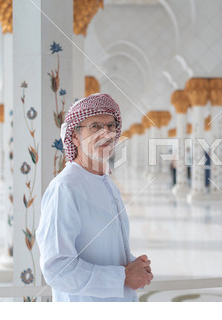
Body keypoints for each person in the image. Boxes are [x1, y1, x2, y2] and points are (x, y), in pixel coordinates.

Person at [36, 93, 153, 302]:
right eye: (95, 126)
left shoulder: (107, 184)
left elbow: (103, 250)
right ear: (74, 137)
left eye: (110, 126)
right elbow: (57, 269)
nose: (106, 133)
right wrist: (124, 277)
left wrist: (135, 265)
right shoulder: (65, 188)